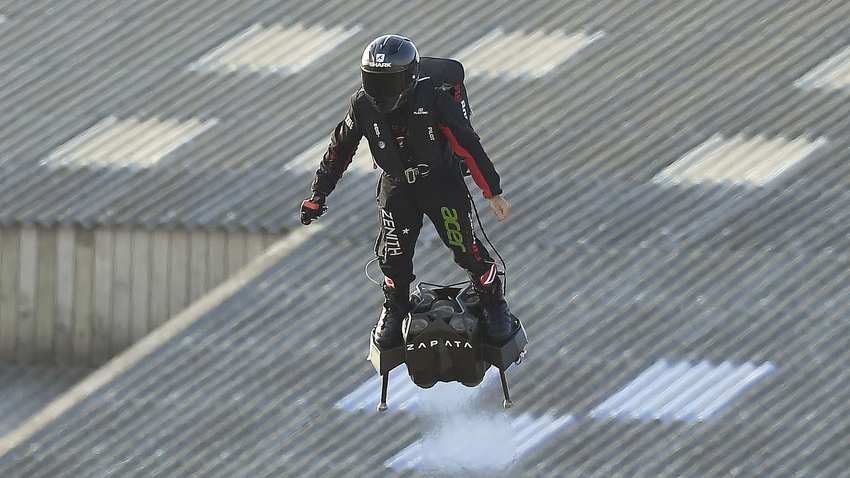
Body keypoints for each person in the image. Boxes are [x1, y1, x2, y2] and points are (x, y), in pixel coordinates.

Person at [300, 34, 517, 349]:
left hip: (440, 181)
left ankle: (492, 299)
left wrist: (492, 192)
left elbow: (468, 144)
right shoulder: (361, 105)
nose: (381, 92)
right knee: (393, 254)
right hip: (397, 185)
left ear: (410, 78)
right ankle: (396, 304)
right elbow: (339, 150)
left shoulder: (436, 99)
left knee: (464, 247)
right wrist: (318, 194)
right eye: (374, 81)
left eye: (389, 82)